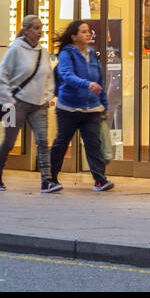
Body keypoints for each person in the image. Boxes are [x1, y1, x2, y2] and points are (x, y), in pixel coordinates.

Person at [0, 15, 59, 193]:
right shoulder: (15, 49)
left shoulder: (43, 52)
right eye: (36, 28)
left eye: (41, 27)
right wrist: (7, 100)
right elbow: (2, 75)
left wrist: (47, 96)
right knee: (9, 141)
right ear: (26, 30)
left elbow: (49, 76)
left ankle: (47, 180)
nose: (40, 31)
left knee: (43, 141)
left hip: (38, 105)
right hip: (14, 104)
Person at [49, 20, 114, 192]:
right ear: (74, 36)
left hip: (91, 108)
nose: (88, 34)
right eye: (83, 31)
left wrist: (104, 105)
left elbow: (99, 79)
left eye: (88, 31)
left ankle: (100, 180)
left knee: (93, 143)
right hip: (68, 108)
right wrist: (86, 84)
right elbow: (66, 75)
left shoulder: (92, 53)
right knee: (61, 143)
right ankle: (50, 178)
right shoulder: (66, 54)